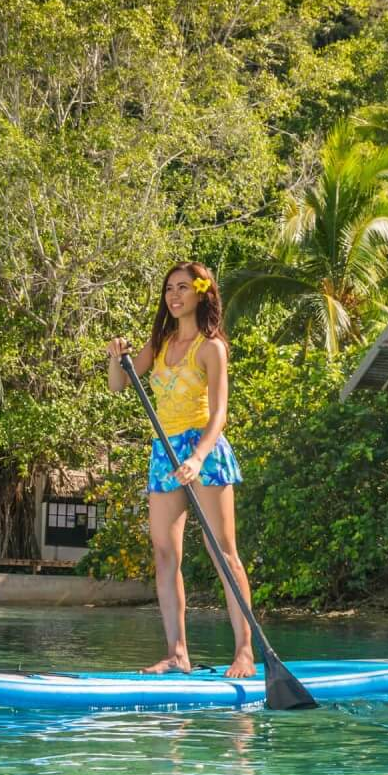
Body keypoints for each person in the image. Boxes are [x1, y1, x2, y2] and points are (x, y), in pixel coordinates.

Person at [107, 261, 252, 679]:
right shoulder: (161, 341)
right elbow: (120, 385)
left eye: (183, 287)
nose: (174, 295)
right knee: (165, 553)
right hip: (163, 450)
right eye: (169, 288)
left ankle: (244, 652)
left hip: (202, 451)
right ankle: (177, 654)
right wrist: (118, 359)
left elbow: (220, 414)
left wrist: (198, 457)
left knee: (223, 554)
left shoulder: (211, 347)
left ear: (202, 293)